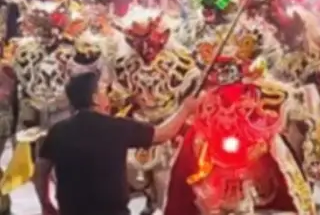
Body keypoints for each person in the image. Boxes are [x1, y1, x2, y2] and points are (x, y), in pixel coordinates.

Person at [34, 72, 199, 215]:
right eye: (103, 91)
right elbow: (163, 133)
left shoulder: (58, 131)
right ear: (95, 99)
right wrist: (185, 109)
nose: (108, 95)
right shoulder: (116, 127)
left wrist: (45, 202)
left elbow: (41, 171)